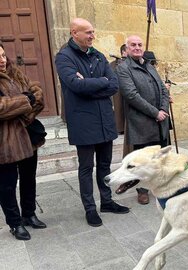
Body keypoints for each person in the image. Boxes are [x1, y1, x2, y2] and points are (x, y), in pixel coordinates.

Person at [55, 18, 129, 227]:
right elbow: (75, 85)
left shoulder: (98, 55)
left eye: (93, 32)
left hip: (104, 119)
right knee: (86, 167)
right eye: (87, 32)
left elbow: (113, 84)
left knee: (105, 164)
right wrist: (100, 83)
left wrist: (92, 85)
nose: (92, 36)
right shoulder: (64, 57)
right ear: (74, 33)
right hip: (83, 122)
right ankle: (90, 208)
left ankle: (107, 201)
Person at [116, 36, 171, 205]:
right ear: (127, 48)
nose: (137, 47)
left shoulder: (148, 65)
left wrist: (163, 109)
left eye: (140, 45)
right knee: (142, 159)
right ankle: (142, 190)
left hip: (159, 121)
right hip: (142, 123)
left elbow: (163, 89)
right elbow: (132, 95)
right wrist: (155, 113)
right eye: (133, 45)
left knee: (161, 157)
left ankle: (162, 186)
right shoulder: (124, 68)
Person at [0, 42, 46, 240]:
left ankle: (29, 214)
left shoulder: (15, 72)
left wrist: (24, 113)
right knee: (6, 186)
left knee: (29, 179)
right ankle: (15, 223)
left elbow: (37, 94)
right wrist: (24, 101)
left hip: (27, 138)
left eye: (3, 55)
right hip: (5, 143)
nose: (2, 60)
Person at [111, 44, 127, 134]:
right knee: (119, 108)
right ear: (123, 52)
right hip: (117, 91)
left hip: (125, 90)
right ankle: (121, 128)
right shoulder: (114, 64)